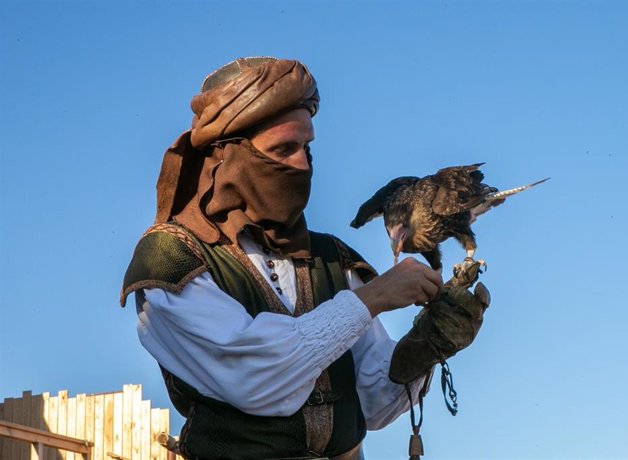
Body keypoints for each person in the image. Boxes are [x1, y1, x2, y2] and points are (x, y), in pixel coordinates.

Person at [121, 57, 489, 460]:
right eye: (283, 149)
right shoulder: (171, 259)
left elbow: (371, 402)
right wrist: (373, 298)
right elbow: (257, 377)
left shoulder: (330, 258)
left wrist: (427, 342)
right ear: (227, 159)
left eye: (306, 147)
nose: (301, 163)